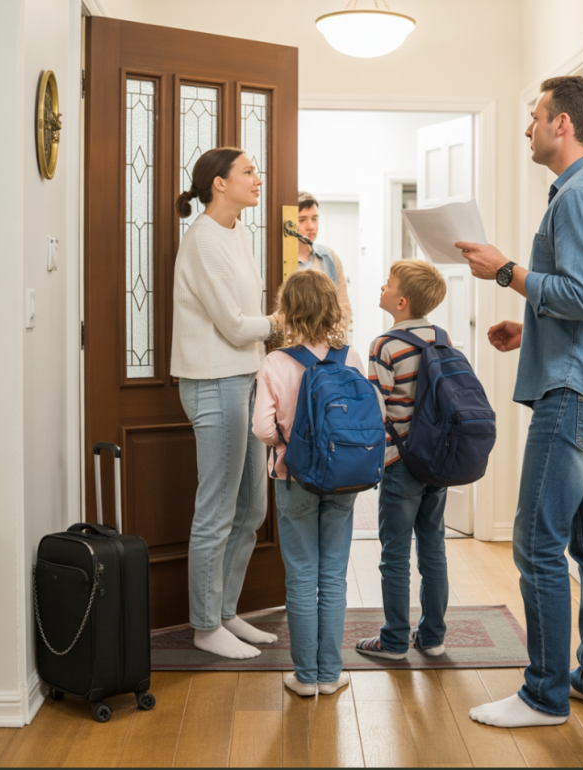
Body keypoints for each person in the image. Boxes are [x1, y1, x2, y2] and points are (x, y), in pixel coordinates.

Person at [455, 75, 583, 728]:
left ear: (562, 123)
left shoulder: (578, 196)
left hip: (574, 394)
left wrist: (505, 271)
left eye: (535, 116)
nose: (528, 128)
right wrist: (531, 327)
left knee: (537, 542)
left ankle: (543, 694)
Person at [171, 147, 282, 659]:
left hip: (246, 379)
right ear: (219, 183)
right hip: (214, 382)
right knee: (216, 510)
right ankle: (204, 625)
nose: (258, 179)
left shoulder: (238, 232)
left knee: (252, 508)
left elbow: (245, 322)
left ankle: (224, 613)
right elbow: (235, 327)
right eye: (248, 172)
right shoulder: (202, 241)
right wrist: (284, 322)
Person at [252, 269, 373, 696]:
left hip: (294, 477)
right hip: (343, 479)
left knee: (302, 576)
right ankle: (330, 674)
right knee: (334, 576)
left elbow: (262, 428)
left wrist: (288, 444)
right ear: (332, 309)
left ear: (287, 311)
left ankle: (305, 678)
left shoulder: (275, 362)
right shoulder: (350, 357)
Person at [355, 260, 451, 661]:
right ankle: (432, 637)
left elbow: (375, 409)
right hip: (438, 461)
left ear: (401, 302)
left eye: (388, 283)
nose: (382, 286)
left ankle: (394, 640)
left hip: (401, 462)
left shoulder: (384, 345)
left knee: (395, 554)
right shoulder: (441, 338)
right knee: (433, 549)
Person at [296, 192, 353, 331]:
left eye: (314, 219)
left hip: (329, 338)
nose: (310, 226)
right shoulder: (283, 261)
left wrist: (335, 337)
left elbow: (343, 307)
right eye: (302, 220)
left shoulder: (329, 257)